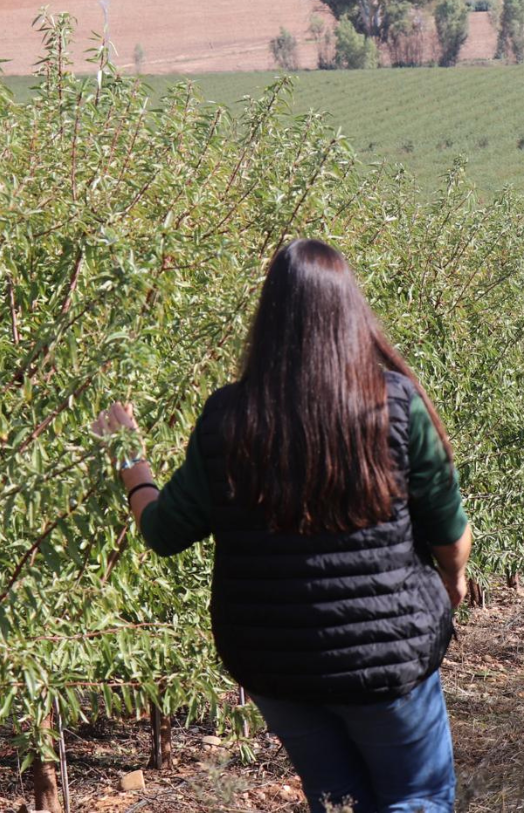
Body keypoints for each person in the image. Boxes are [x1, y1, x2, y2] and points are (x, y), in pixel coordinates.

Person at [93, 239, 471, 813]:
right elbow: (449, 531)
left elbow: (165, 531)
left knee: (339, 803)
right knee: (415, 798)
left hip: (276, 662)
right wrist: (454, 581)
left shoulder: (230, 418)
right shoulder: (393, 405)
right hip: (386, 658)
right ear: (352, 313)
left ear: (268, 321)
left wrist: (128, 457)